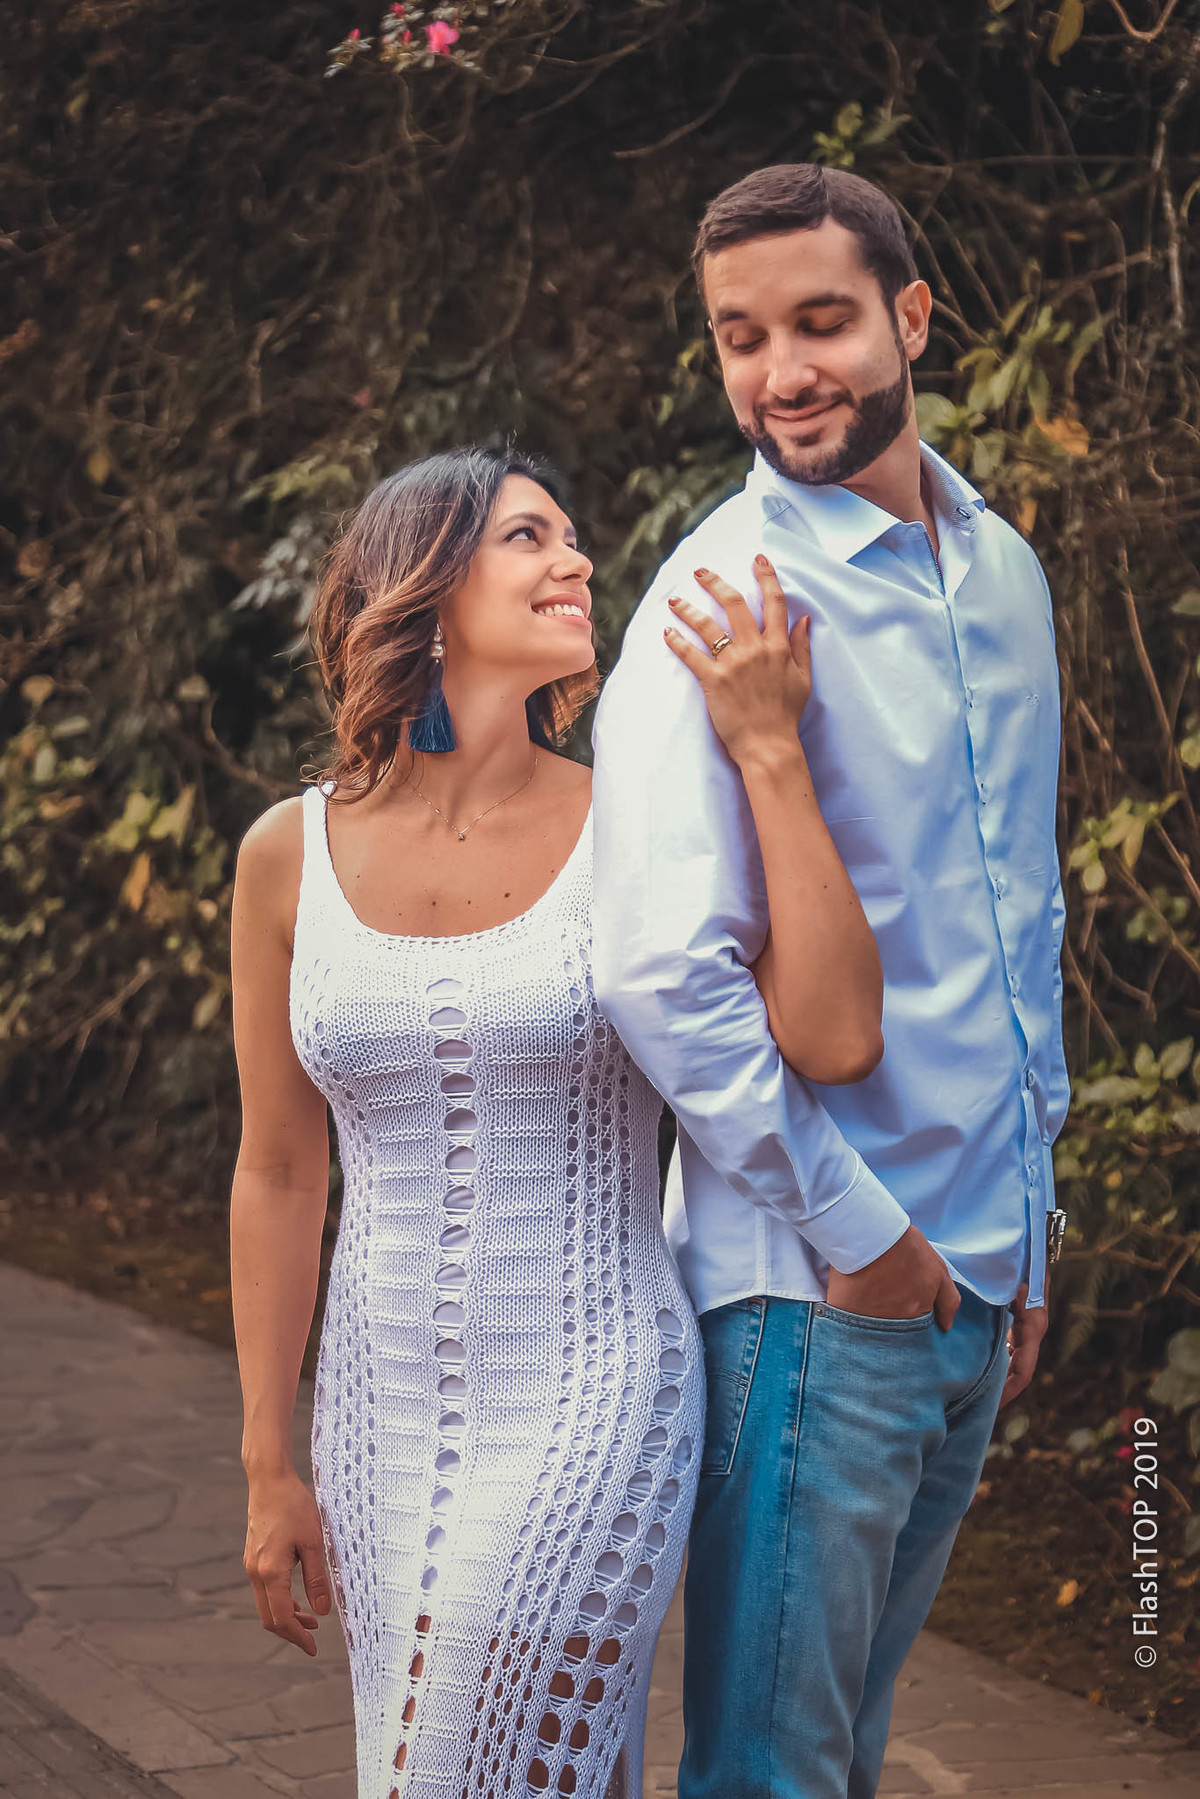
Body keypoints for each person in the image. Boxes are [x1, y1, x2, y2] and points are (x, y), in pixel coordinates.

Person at [228, 444, 882, 1799]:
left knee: (453, 1762)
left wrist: (770, 762)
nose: (576, 560)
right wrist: (266, 1460)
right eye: (530, 536)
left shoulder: (633, 827)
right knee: (510, 1771)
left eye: (575, 538)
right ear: (422, 579)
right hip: (378, 1412)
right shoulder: (286, 856)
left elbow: (824, 1033)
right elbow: (281, 1172)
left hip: (599, 1389)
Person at [591, 163, 1070, 1799]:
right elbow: (662, 974)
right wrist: (860, 1238)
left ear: (911, 318)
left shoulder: (1008, 576)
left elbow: (1024, 912)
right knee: (774, 1775)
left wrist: (1032, 1206)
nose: (781, 372)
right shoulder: (715, 606)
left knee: (849, 1753)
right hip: (818, 1292)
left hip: (982, 1272)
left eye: (820, 322)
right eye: (741, 336)